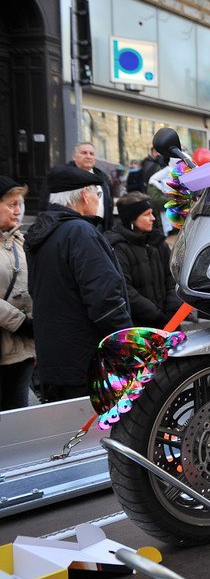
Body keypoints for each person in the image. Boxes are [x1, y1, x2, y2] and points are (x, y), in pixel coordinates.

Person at [24, 166, 132, 402]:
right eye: (97, 194)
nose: (98, 200)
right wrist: (126, 343)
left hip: (55, 360)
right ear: (84, 194)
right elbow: (105, 299)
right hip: (85, 361)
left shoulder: (42, 233)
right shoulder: (80, 232)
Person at [107, 192, 183, 327]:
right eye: (147, 214)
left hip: (169, 322)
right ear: (132, 219)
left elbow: (173, 277)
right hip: (139, 327)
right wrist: (156, 316)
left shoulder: (158, 242)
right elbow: (126, 289)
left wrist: (172, 310)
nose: (153, 218)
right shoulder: (117, 247)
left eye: (152, 213)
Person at [0, 176, 35, 410]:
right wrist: (21, 323)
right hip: (9, 340)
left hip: (21, 351)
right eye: (11, 204)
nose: (17, 211)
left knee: (18, 416)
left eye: (20, 204)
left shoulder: (20, 241)